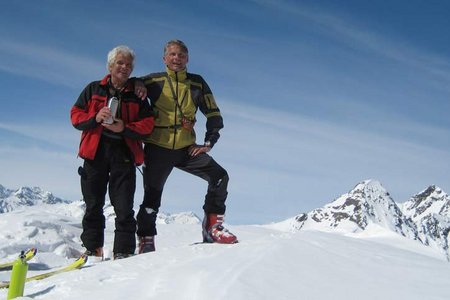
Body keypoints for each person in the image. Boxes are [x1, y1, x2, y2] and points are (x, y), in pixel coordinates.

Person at [135, 39, 237, 253]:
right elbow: (129, 86)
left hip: (186, 149)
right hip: (158, 148)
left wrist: (209, 142)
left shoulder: (197, 83)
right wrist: (136, 83)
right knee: (152, 195)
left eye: (181, 55)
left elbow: (213, 113)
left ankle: (213, 227)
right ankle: (146, 238)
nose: (176, 58)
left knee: (219, 176)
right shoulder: (152, 81)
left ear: (187, 58)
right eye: (172, 54)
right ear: (164, 58)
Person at [71, 45, 154, 260]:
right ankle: (93, 248)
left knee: (124, 206)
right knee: (93, 204)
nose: (124, 68)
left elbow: (148, 125)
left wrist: (123, 128)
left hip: (124, 153)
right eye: (120, 63)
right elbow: (75, 115)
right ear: (110, 65)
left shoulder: (137, 95)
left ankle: (123, 251)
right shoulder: (93, 89)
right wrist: (95, 118)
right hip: (94, 152)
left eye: (128, 65)